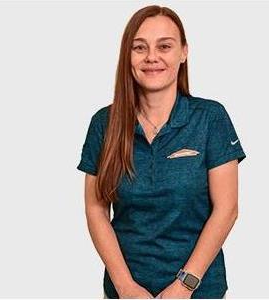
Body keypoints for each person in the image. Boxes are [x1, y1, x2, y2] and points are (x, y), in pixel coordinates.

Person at [77, 5, 246, 299]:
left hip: (199, 291)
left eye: (164, 46)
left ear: (183, 52)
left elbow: (226, 209)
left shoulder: (210, 118)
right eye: (139, 47)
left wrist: (184, 285)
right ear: (127, 56)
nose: (152, 57)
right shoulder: (104, 123)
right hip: (125, 291)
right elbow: (96, 209)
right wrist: (125, 287)